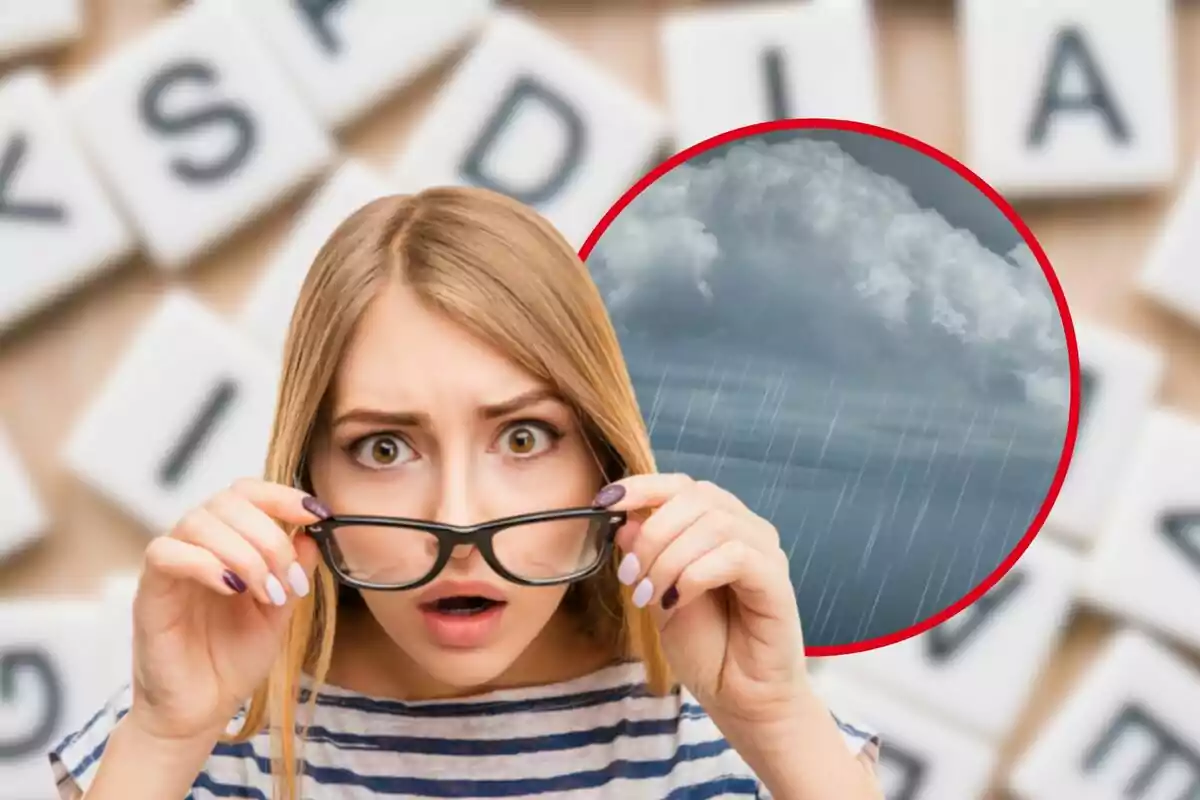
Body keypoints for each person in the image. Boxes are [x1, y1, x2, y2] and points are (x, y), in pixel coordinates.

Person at [49, 186, 882, 799]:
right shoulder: (206, 733)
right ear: (309, 479)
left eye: (523, 438)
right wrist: (165, 738)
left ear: (603, 456)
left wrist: (776, 722)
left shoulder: (738, 734)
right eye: (383, 447)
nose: (457, 521)